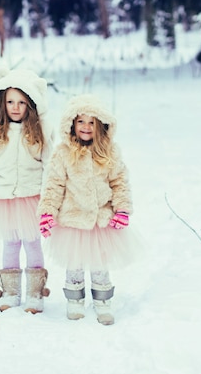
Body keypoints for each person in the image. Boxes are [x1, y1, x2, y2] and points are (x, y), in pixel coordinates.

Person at [37, 94, 139, 325]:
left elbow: (119, 182)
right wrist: (47, 212)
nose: (85, 127)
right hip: (73, 219)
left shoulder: (110, 151)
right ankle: (74, 300)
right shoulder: (63, 153)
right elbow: (54, 184)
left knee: (100, 263)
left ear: (100, 125)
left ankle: (103, 301)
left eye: (91, 122)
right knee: (74, 263)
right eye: (80, 121)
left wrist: (122, 209)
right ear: (71, 124)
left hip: (101, 220)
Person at [0, 68, 53, 314]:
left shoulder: (40, 132)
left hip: (32, 198)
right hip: (2, 199)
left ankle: (35, 293)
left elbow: (49, 167)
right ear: (1, 103)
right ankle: (11, 291)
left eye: (21, 102)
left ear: (31, 105)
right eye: (10, 102)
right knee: (11, 243)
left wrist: (49, 199)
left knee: (32, 243)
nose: (15, 107)